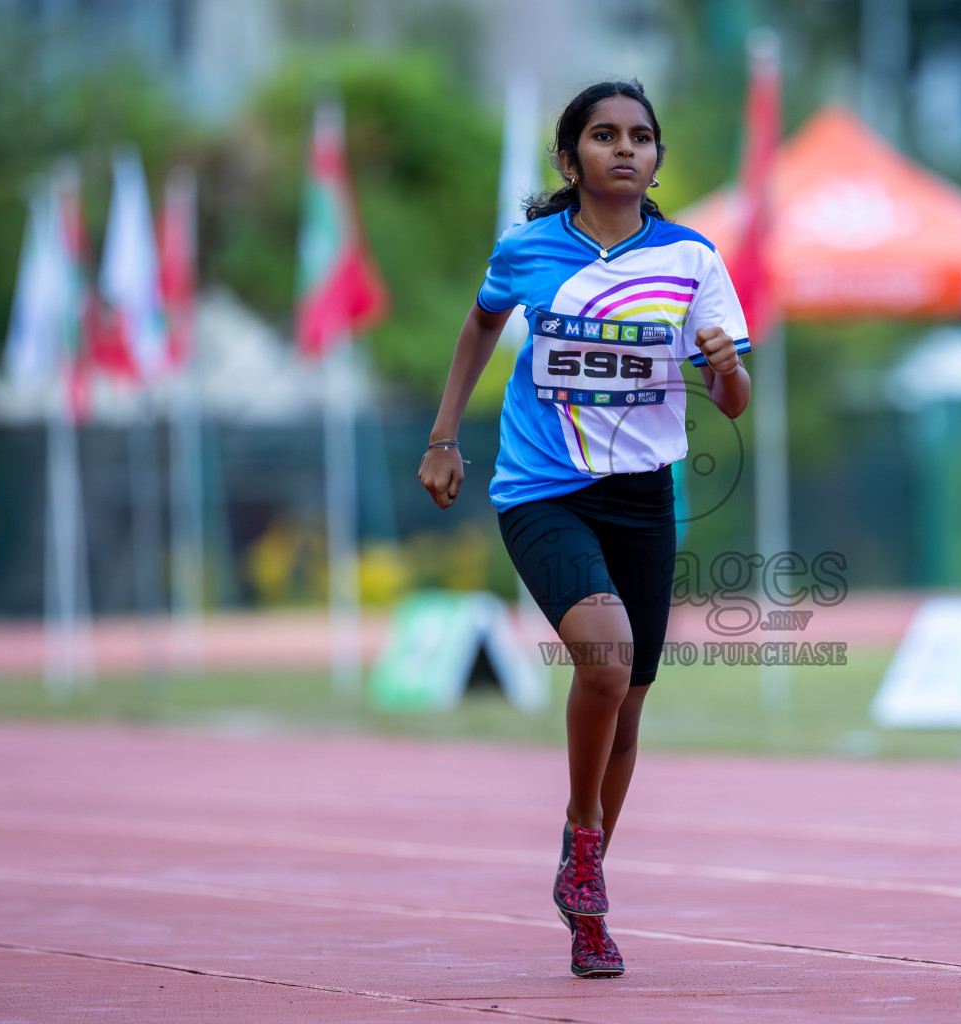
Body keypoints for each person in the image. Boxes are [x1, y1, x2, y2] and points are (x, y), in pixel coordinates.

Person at [417, 79, 751, 979]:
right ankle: (586, 838)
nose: (624, 149)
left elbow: (732, 400)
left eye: (640, 136)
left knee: (630, 698)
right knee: (603, 658)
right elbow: (479, 326)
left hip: (644, 493)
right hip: (541, 490)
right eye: (603, 136)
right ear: (572, 161)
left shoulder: (691, 261)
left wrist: (724, 367)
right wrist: (445, 436)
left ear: (656, 159)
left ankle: (582, 886)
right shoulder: (527, 251)